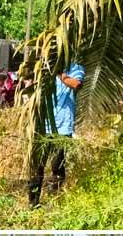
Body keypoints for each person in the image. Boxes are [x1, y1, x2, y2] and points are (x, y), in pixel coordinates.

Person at [29, 62, 85, 206]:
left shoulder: (75, 67)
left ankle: (55, 200)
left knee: (57, 166)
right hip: (42, 126)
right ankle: (33, 203)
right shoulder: (44, 66)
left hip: (62, 128)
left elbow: (76, 84)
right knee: (37, 166)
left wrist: (59, 73)